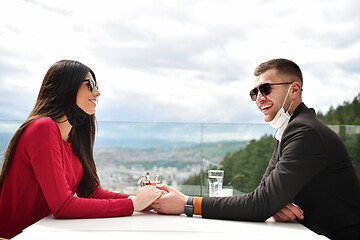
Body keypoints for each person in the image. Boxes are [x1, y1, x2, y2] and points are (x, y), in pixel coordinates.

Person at [152, 58, 360, 239]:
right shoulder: (288, 129)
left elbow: (260, 204)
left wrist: (187, 203)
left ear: (294, 90)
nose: (259, 98)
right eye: (254, 92)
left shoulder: (305, 132)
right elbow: (264, 195)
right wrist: (273, 202)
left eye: (266, 88)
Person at [0, 60, 162, 239]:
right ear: (67, 87)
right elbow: (63, 206)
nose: (98, 93)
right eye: (90, 85)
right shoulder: (43, 128)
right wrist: (134, 205)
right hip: (16, 236)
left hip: (45, 233)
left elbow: (91, 192)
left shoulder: (73, 137)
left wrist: (139, 201)